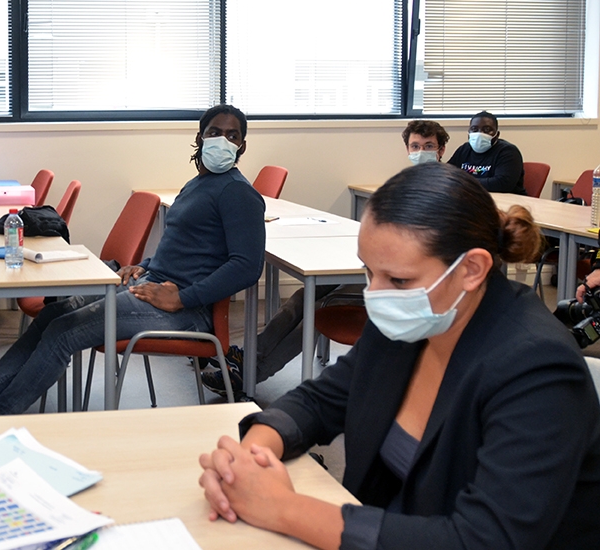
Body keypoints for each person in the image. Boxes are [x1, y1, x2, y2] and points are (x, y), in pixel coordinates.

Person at [198, 162, 600, 549]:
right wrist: (253, 456)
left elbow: (484, 539)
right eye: (369, 272)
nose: (376, 293)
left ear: (472, 269)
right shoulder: (417, 317)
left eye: (399, 279)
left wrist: (283, 508)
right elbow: (321, 400)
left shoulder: (538, 368)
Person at [0, 104, 266, 417]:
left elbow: (247, 266)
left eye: (232, 135)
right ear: (200, 138)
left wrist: (182, 298)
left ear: (242, 146)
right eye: (214, 132)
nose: (222, 140)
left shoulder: (238, 193)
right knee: (54, 313)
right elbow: (187, 246)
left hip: (186, 311)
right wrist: (145, 266)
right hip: (150, 285)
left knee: (65, 331)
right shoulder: (200, 184)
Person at [203, 119, 453, 396]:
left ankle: (251, 376)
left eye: (428, 146)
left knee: (318, 308)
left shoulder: (449, 189)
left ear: (441, 150)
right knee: (300, 297)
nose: (421, 152)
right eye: (415, 146)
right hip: (379, 266)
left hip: (407, 283)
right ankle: (249, 357)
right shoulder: (407, 185)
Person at [446, 110, 526, 194]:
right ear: (468, 133)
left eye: (487, 129)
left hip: (509, 202)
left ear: (497, 134)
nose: (480, 133)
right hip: (473, 198)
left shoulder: (508, 152)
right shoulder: (464, 149)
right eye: (474, 129)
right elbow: (447, 174)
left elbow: (502, 184)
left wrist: (463, 182)